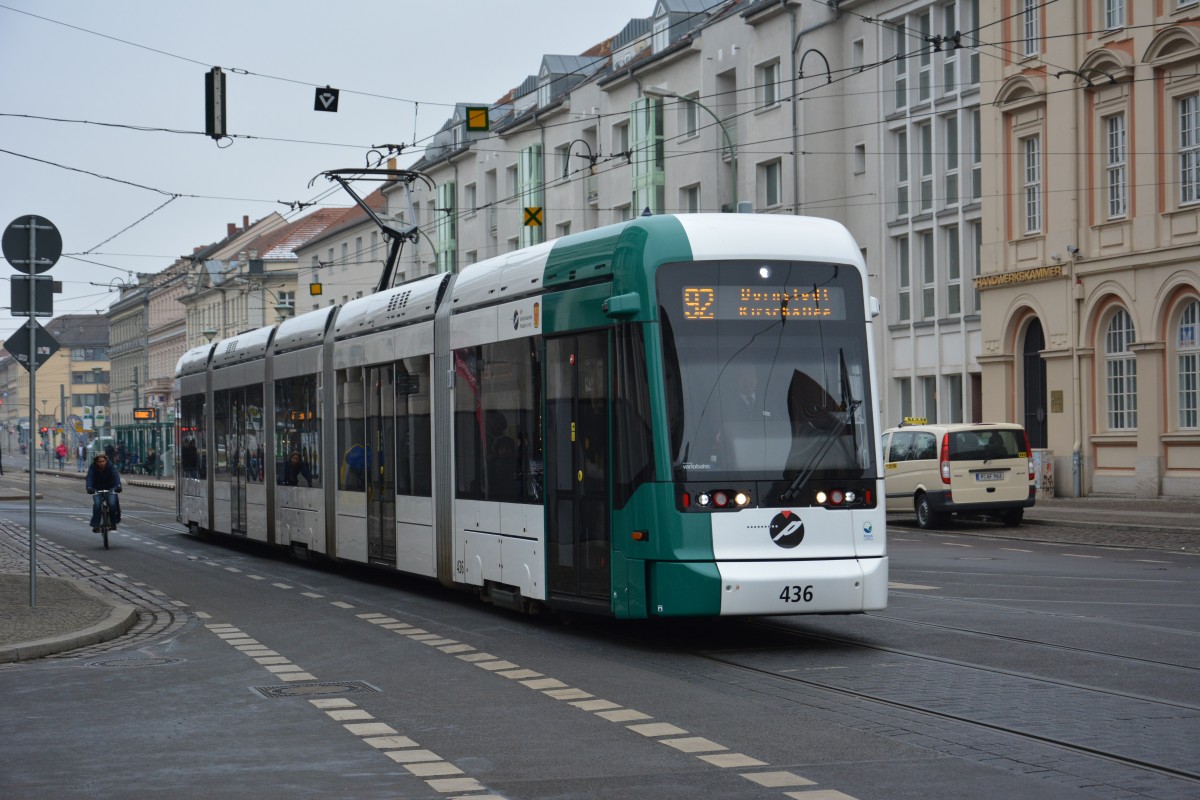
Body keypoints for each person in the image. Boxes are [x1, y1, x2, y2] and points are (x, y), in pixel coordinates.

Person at [85, 454, 122, 532]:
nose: (102, 463)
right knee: (97, 504)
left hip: (110, 487)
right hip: (96, 488)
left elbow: (116, 476)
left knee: (112, 504)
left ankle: (113, 523)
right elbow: (90, 478)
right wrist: (89, 488)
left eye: (103, 461)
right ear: (96, 462)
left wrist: (118, 486)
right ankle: (96, 525)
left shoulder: (110, 466)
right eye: (99, 462)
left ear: (106, 461)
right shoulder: (93, 467)